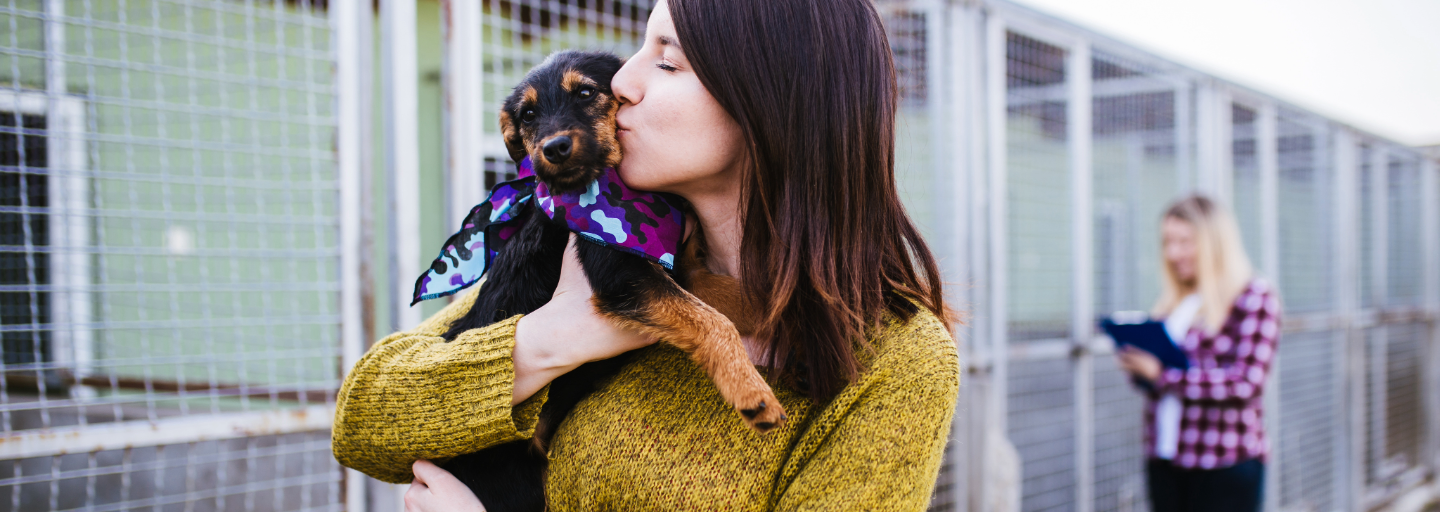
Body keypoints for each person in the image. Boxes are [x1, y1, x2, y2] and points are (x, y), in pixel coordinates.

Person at [330, 0, 961, 509]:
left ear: (769, 102)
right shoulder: (584, 241)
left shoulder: (898, 360)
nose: (622, 83)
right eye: (638, 49)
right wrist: (550, 339)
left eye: (667, 62)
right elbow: (360, 423)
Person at [1116, 195, 1280, 512]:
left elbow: (1246, 383)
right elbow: (1159, 382)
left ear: (1213, 243)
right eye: (1167, 242)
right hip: (1167, 457)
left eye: (1184, 242)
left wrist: (1162, 375)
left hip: (1222, 463)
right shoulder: (1175, 302)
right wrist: (1139, 367)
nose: (1172, 253)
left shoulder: (1253, 296)